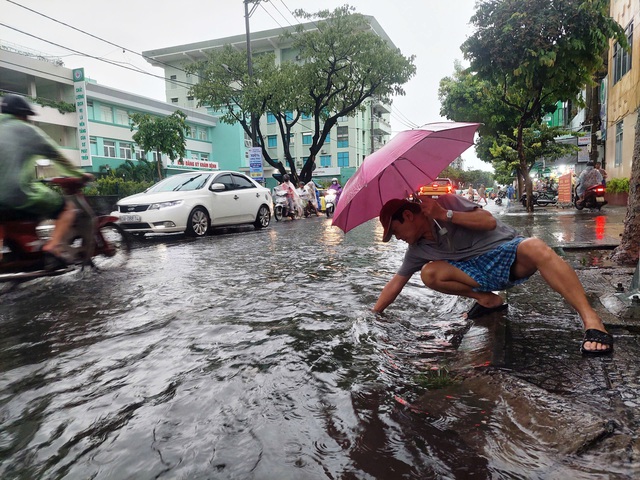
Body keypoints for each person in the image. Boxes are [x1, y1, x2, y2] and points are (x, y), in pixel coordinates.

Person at [372, 195, 613, 355]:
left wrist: (445, 214)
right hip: (477, 273)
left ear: (407, 216)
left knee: (536, 246)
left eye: (395, 231)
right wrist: (373, 315)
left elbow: (488, 221)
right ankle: (488, 300)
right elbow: (396, 282)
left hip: (507, 254)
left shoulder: (446, 202)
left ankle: (592, 320)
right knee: (429, 273)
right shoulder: (417, 250)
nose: (397, 237)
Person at [0, 94, 91, 265]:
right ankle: (53, 247)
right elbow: (56, 156)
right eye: (27, 116)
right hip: (15, 195)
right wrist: (80, 175)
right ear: (22, 115)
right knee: (67, 209)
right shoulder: (26, 130)